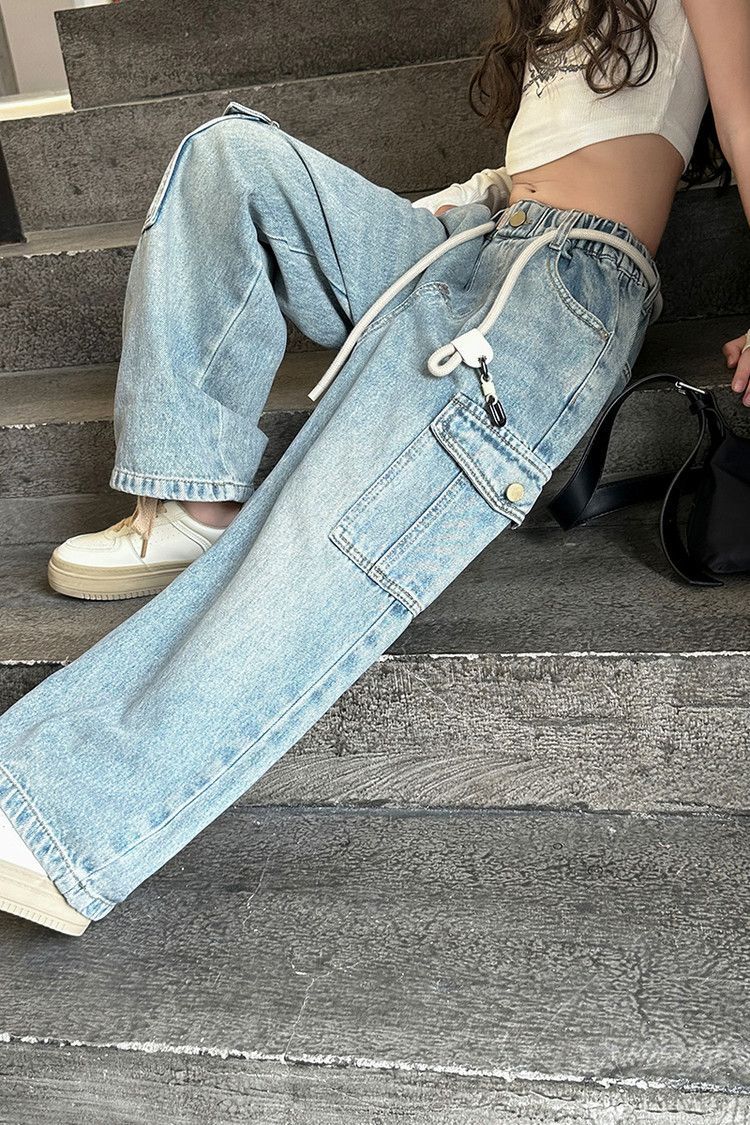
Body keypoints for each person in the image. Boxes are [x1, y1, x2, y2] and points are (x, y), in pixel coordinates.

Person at [0, 0, 744, 936]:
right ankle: (195, 503)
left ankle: (51, 814)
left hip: (565, 277)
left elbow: (744, 119)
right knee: (229, 157)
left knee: (323, 530)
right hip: (473, 235)